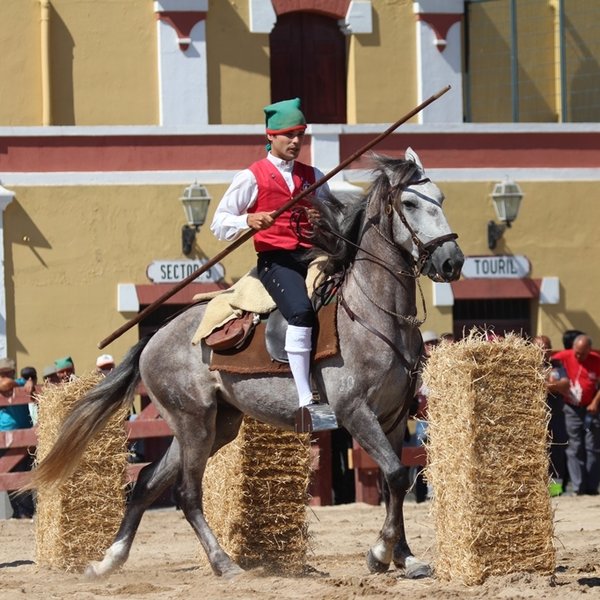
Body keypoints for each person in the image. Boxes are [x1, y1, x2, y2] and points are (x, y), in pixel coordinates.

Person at [210, 98, 330, 413]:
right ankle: (306, 399)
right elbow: (219, 223)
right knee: (301, 312)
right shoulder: (252, 177)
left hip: (314, 257)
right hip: (278, 261)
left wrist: (324, 219)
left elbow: (335, 218)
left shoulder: (314, 175)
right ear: (271, 136)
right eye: (289, 135)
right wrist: (247, 220)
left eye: (300, 135)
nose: (295, 142)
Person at [552, 334, 600, 495]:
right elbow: (548, 362)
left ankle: (592, 487)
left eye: (583, 354)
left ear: (589, 350)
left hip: (590, 408)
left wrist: (595, 402)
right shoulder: (564, 357)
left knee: (592, 447)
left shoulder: (596, 359)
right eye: (576, 353)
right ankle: (578, 487)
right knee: (575, 446)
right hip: (571, 408)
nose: (579, 356)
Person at [534, 335, 569, 495]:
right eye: (541, 347)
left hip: (556, 415)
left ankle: (556, 490)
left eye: (547, 346)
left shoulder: (557, 366)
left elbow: (565, 384)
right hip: (536, 417)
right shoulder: (527, 366)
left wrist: (544, 385)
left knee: (557, 452)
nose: (545, 350)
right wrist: (553, 385)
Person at [0, 358, 35, 518]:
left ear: (12, 372)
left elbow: (16, 383)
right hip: (5, 439)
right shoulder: (15, 384)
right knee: (9, 477)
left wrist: (26, 384)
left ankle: (25, 512)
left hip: (23, 437)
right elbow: (5, 384)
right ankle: (18, 512)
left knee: (21, 475)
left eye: (6, 373)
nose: (3, 376)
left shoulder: (22, 382)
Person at [410, 330, 440, 502]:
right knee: (422, 456)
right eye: (428, 344)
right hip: (424, 417)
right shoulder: (419, 366)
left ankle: (432, 492)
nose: (431, 347)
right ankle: (422, 494)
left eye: (433, 343)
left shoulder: (444, 363)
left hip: (438, 418)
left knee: (436, 455)